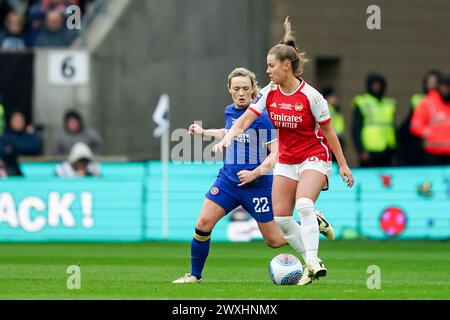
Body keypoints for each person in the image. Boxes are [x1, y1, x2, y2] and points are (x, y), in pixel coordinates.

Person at [213, 18, 354, 286]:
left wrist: (343, 165)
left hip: (314, 157)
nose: (267, 71)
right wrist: (227, 137)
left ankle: (313, 261)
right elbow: (244, 120)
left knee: (303, 204)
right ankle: (309, 262)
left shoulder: (312, 97)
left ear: (286, 66)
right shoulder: (268, 93)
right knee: (282, 218)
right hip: (287, 160)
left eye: (270, 65)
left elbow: (329, 132)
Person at [172, 67, 335, 284]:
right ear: (229, 89)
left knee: (275, 240)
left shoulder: (263, 117)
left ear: (253, 89)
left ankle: (312, 220)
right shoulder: (230, 111)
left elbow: (276, 153)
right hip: (228, 181)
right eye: (236, 88)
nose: (241, 93)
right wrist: (205, 133)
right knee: (203, 223)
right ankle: (195, 275)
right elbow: (230, 131)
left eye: (245, 88)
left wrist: (254, 173)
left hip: (257, 185)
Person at [352, 73, 397, 167]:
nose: (377, 87)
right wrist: (361, 150)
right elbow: (356, 129)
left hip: (387, 149)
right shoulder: (362, 102)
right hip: (369, 150)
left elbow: (392, 126)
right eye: (374, 85)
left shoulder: (389, 103)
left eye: (379, 85)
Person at [397, 70, 441, 166]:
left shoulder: (444, 102)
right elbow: (411, 125)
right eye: (428, 82)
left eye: (434, 82)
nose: (431, 85)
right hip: (422, 144)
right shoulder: (418, 100)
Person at [410, 73, 450, 165]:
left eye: (448, 86)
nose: (446, 89)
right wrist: (430, 133)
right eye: (444, 86)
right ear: (438, 87)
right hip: (433, 153)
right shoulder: (427, 103)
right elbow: (415, 126)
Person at [0, 111, 43, 176]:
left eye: (19, 120)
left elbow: (36, 149)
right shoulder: (5, 137)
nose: (17, 123)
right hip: (10, 168)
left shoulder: (30, 136)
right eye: (15, 120)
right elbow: (3, 151)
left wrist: (13, 149)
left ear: (24, 122)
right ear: (10, 121)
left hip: (31, 168)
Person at [323, 87, 346, 151]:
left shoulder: (335, 110)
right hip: (330, 141)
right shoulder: (326, 108)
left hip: (337, 139)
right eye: (333, 96)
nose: (335, 99)